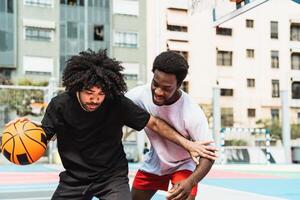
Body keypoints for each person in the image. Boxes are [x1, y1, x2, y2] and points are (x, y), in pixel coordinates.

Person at [7, 49, 213, 200]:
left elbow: (155, 124)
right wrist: (27, 129)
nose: (95, 99)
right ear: (76, 86)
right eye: (89, 93)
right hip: (75, 178)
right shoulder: (60, 105)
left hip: (113, 178)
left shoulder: (119, 102)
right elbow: (46, 133)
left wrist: (189, 146)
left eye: (100, 94)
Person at [126, 51, 217, 200]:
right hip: (155, 162)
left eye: (167, 88)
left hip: (184, 166)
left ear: (179, 85)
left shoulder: (192, 112)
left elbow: (209, 155)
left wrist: (191, 182)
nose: (158, 92)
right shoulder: (139, 95)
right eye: (155, 84)